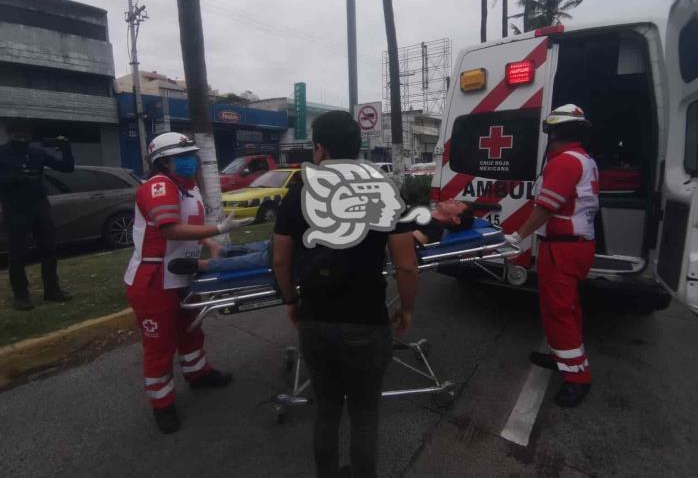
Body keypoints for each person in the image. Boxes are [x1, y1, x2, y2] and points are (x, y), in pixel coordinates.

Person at [272, 111, 419, 478]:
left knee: (326, 410)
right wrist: (408, 308)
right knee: (365, 414)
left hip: (316, 318)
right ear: (358, 146)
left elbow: (280, 260)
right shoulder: (384, 188)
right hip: (366, 319)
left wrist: (291, 301)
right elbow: (405, 265)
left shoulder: (297, 193)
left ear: (319, 148)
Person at [123, 131, 250, 434]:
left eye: (191, 155)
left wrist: (211, 242)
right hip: (154, 279)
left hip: (183, 272)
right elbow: (169, 230)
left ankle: (198, 373)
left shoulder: (188, 188)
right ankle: (162, 404)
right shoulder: (158, 187)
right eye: (183, 157)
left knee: (191, 330)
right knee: (160, 344)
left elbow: (189, 225)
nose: (190, 160)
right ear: (164, 162)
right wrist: (218, 227)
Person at [504, 104, 599, 408]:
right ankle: (563, 356)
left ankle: (577, 378)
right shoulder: (583, 159)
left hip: (564, 248)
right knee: (564, 308)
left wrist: (517, 237)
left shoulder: (565, 163)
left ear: (554, 132)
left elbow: (546, 208)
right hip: (572, 245)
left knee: (560, 309)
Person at [166, 199, 474, 275]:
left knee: (278, 256)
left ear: (456, 217)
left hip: (355, 245)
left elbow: (402, 248)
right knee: (275, 244)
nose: (453, 199)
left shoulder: (434, 228)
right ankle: (223, 251)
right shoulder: (422, 212)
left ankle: (206, 267)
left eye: (459, 203)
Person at [0, 120, 74, 311]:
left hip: (40, 207)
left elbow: (67, 168)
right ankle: (21, 296)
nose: (23, 139)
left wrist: (66, 148)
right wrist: (14, 178)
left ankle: (52, 291)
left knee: (49, 250)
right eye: (18, 137)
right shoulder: (2, 153)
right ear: (10, 135)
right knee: (17, 254)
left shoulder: (37, 153)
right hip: (15, 210)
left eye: (26, 137)